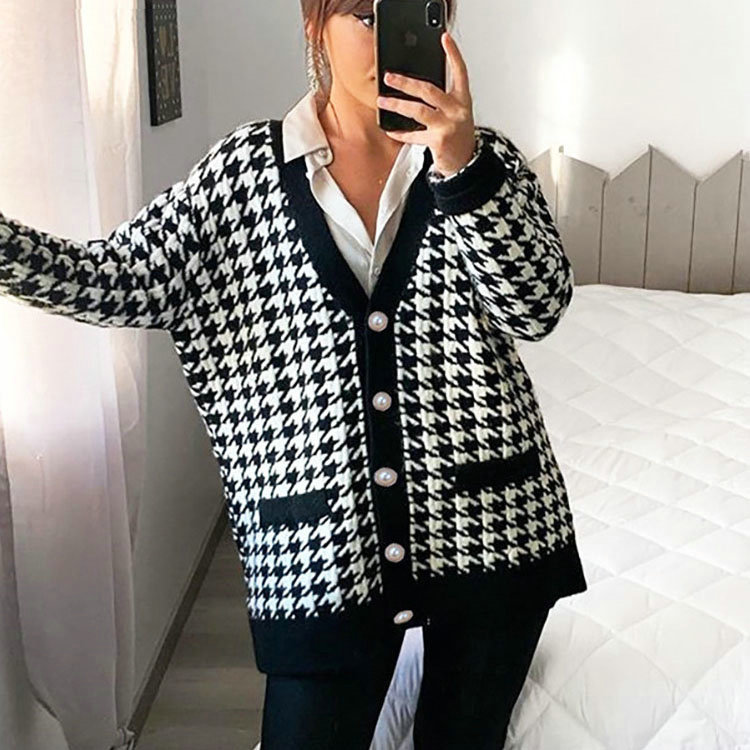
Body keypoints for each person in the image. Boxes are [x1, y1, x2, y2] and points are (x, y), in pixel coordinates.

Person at [0, 1, 588, 748]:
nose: (392, 35)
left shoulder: (483, 161)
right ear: (316, 25)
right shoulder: (243, 175)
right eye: (365, 15)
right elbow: (115, 278)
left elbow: (537, 308)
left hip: (495, 526)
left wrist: (462, 168)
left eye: (422, 9)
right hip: (320, 549)